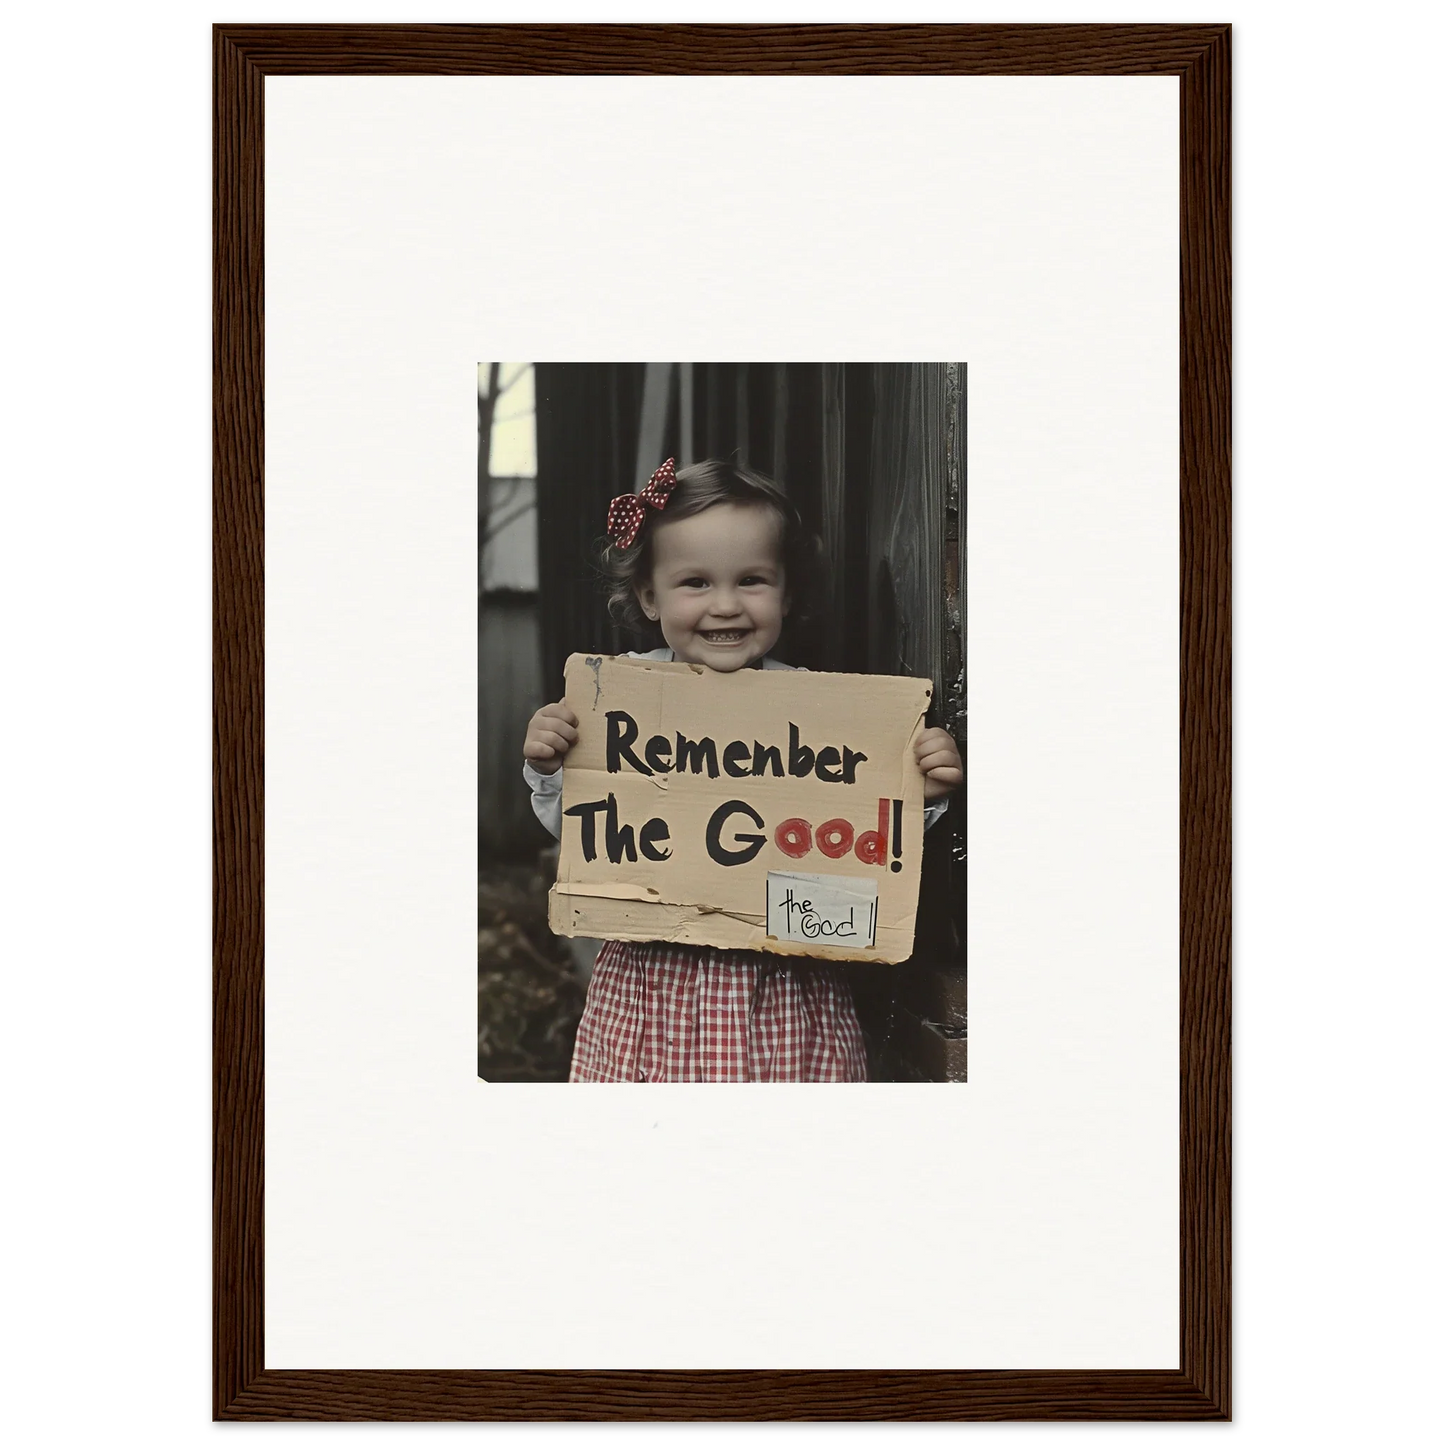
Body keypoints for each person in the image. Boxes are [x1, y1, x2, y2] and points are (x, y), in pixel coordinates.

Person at [522, 458, 963, 1082]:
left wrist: (923, 789)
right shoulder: (618, 699)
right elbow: (585, 833)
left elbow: (862, 843)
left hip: (784, 989)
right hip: (654, 989)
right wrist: (551, 763)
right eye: (695, 582)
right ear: (650, 595)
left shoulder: (823, 715)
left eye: (752, 580)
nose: (725, 605)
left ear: (786, 591)